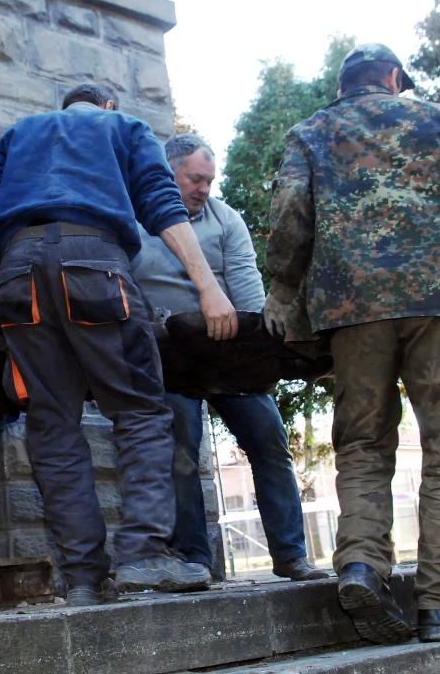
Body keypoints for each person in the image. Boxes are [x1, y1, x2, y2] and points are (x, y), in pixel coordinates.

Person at [0, 83, 238, 606]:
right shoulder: (123, 127)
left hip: (18, 277)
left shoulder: (17, 135)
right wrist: (209, 287)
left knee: (51, 423)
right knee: (140, 412)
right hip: (94, 267)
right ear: (108, 106)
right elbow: (161, 202)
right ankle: (143, 554)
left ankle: (83, 577)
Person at [264, 44, 440, 644]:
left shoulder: (311, 132)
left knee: (363, 441)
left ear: (342, 84)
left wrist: (284, 289)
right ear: (394, 78)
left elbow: (291, 210)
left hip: (352, 306)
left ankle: (361, 565)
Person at [130, 134, 327, 582]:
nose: (204, 188)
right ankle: (194, 560)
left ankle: (291, 555)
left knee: (270, 442)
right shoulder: (133, 219)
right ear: (168, 174)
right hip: (167, 356)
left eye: (209, 181)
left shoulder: (226, 219)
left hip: (228, 351)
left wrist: (262, 349)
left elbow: (247, 288)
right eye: (195, 179)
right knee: (180, 454)